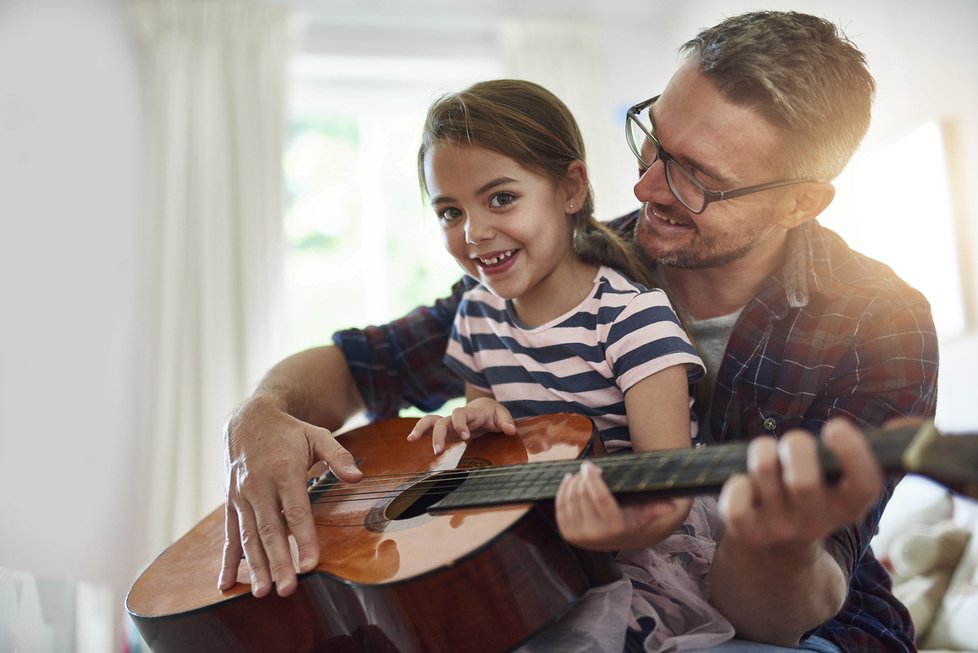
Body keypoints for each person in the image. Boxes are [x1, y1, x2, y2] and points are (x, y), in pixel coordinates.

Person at [220, 10, 939, 652]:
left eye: (694, 176)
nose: (645, 187)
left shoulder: (878, 326)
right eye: (653, 141)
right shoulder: (564, 261)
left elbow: (778, 615)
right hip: (565, 589)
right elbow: (355, 364)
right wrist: (261, 415)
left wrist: (770, 542)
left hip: (793, 620)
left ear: (800, 202)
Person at [402, 79, 731, 651]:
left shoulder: (632, 319)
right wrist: (465, 427)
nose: (474, 233)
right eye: (450, 211)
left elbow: (670, 493)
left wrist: (611, 531)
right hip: (535, 545)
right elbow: (489, 437)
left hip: (638, 552)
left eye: (500, 198)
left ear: (571, 188)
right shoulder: (476, 314)